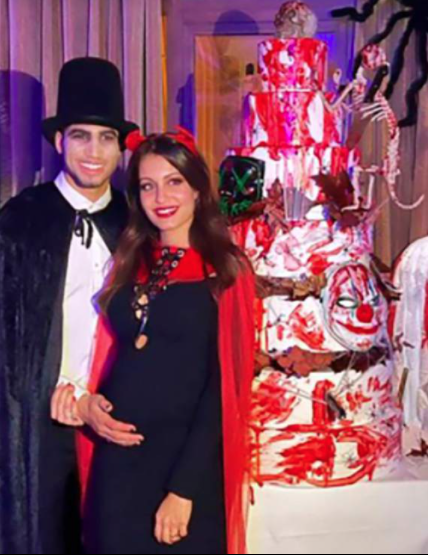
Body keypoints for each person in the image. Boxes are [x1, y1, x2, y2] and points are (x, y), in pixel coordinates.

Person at [59, 128, 255, 554]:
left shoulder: (224, 270)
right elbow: (105, 353)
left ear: (198, 189)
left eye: (174, 182)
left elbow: (225, 390)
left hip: (182, 468)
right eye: (147, 185)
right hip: (115, 462)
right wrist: (87, 403)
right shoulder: (129, 260)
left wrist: (183, 489)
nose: (160, 197)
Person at [0, 57, 137, 554]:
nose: (94, 152)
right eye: (81, 136)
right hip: (42, 423)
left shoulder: (135, 222)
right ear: (60, 141)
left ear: (120, 148)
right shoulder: (21, 218)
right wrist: (51, 388)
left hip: (119, 415)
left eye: (106, 138)